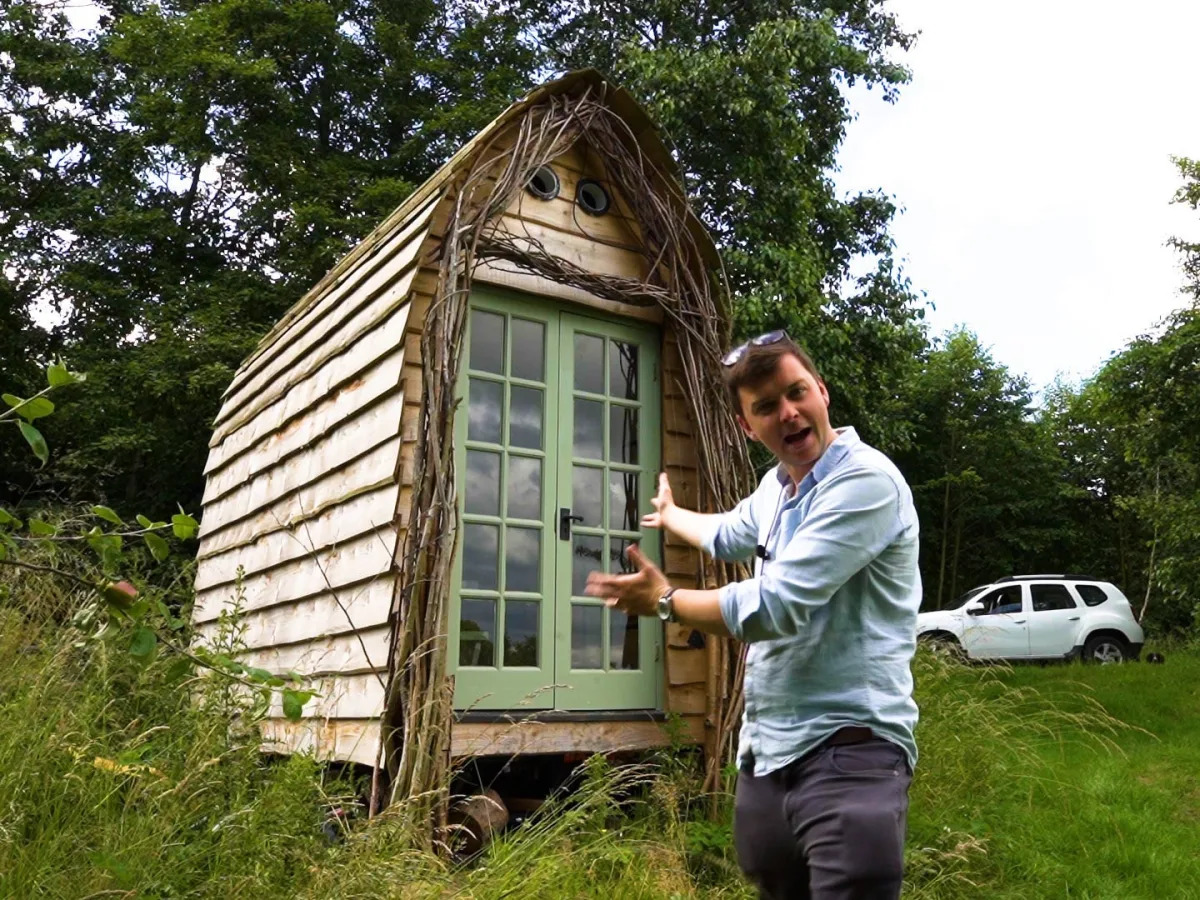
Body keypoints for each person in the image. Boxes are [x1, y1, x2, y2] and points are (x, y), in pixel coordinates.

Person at [585, 331, 921, 900]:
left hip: (852, 749)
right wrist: (670, 516)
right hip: (768, 755)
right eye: (766, 407)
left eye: (796, 393)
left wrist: (666, 602)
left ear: (822, 391)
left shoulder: (866, 482)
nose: (788, 413)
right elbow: (726, 533)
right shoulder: (775, 490)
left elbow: (776, 605)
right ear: (748, 426)